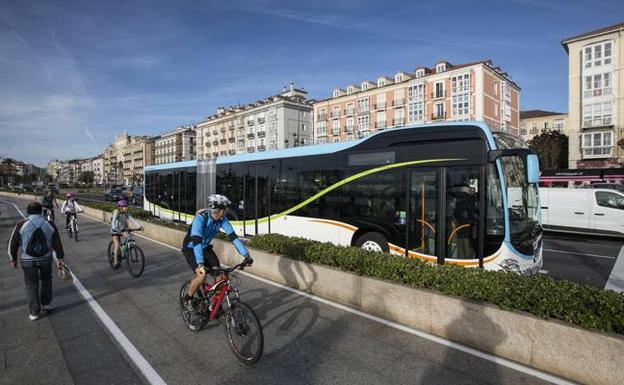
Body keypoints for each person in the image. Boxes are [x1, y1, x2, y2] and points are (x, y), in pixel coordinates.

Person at [181, 194, 253, 310]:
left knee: (221, 276)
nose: (227, 211)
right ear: (219, 210)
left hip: (205, 248)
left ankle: (215, 304)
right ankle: (188, 299)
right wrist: (200, 264)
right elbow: (196, 242)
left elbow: (233, 237)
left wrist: (246, 255)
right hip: (191, 248)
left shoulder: (222, 220)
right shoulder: (200, 219)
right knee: (202, 275)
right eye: (226, 209)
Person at [8, 201, 66, 321]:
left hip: (27, 260)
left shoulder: (21, 225)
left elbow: (12, 244)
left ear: (28, 212)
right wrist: (60, 258)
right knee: (46, 280)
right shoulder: (49, 224)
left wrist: (13, 258)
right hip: (46, 259)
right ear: (41, 211)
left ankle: (34, 312)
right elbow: (57, 243)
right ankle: (47, 304)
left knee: (31, 284)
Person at [110, 199, 143, 268]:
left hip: (122, 229)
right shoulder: (116, 212)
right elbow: (113, 223)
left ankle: (125, 249)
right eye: (125, 206)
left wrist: (139, 226)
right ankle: (115, 262)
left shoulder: (126, 213)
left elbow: (132, 220)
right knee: (117, 245)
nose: (127, 208)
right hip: (115, 230)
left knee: (129, 237)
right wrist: (115, 229)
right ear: (120, 207)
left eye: (127, 206)